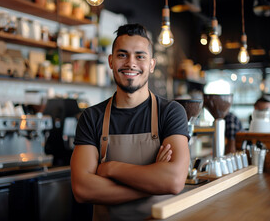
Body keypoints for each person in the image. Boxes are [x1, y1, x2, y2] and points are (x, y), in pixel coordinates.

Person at [70, 23, 190, 220]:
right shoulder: (91, 117)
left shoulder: (170, 112)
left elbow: (174, 181)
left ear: (151, 64)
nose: (130, 63)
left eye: (140, 56)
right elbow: (82, 189)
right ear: (111, 61)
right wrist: (153, 184)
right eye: (122, 55)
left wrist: (110, 168)